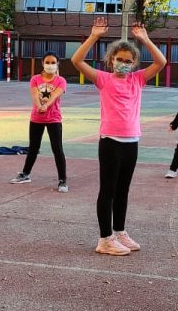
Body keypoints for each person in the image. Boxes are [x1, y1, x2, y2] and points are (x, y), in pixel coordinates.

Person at [71, 15, 166, 255]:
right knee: (108, 191)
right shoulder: (103, 79)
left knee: (123, 191)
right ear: (111, 60)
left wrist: (144, 39)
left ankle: (119, 231)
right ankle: (104, 239)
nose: (123, 63)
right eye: (119, 59)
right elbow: (76, 60)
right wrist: (94, 36)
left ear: (134, 63)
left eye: (128, 60)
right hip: (111, 142)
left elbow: (161, 62)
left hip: (132, 141)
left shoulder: (137, 80)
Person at [10, 52, 68, 192]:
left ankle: (62, 180)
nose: (50, 65)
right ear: (42, 64)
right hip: (36, 118)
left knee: (57, 149)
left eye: (53, 62)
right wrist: (39, 106)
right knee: (33, 148)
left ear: (57, 64)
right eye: (47, 62)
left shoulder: (61, 80)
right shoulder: (35, 79)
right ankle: (25, 174)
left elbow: (55, 95)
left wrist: (46, 105)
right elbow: (35, 95)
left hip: (54, 118)